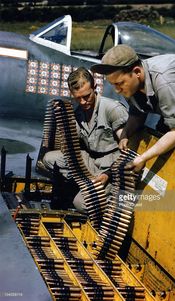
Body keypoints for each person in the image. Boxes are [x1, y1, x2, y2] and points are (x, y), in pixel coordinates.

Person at [42, 66, 128, 211]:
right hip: (91, 161)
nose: (82, 102)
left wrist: (108, 174)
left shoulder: (112, 110)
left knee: (82, 203)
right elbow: (73, 144)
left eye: (86, 96)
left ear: (95, 86)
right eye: (78, 98)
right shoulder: (79, 112)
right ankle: (87, 184)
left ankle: (114, 199)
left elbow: (129, 152)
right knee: (49, 159)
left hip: (111, 166)